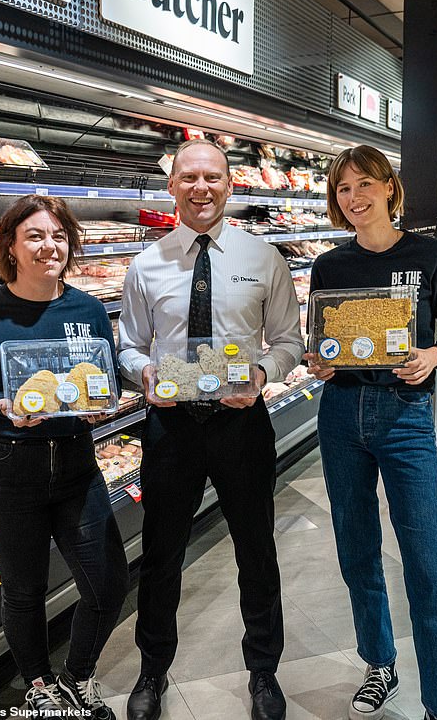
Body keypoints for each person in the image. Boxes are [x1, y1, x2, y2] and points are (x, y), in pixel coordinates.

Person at [118, 139, 304, 720]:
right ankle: (152, 670)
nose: (202, 188)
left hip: (241, 425)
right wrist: (142, 373)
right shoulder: (146, 265)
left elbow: (290, 342)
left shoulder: (264, 258)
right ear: (172, 186)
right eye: (189, 178)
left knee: (256, 549)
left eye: (213, 178)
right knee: (161, 553)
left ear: (230, 185)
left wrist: (261, 372)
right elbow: (128, 344)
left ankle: (264, 673)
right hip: (171, 427)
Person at [0, 194, 129, 719]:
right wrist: (0, 404)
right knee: (24, 592)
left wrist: (101, 402)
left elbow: (100, 376)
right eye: (35, 236)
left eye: (59, 236)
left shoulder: (88, 308)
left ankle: (77, 677)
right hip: (5, 469)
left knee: (108, 583)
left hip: (75, 463)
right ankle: (39, 686)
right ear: (11, 247)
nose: (50, 246)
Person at [305, 145, 437, 720]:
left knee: (428, 558)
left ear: (389, 187)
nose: (355, 197)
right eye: (344, 188)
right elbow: (322, 343)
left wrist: (434, 355)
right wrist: (319, 363)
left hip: (405, 415)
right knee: (357, 550)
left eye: (365, 183)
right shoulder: (330, 266)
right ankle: (380, 664)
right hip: (342, 413)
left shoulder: (432, 256)